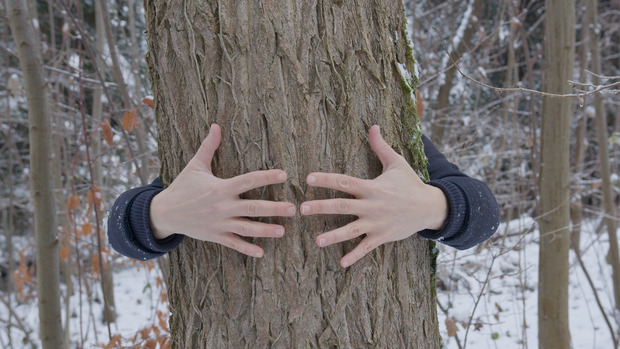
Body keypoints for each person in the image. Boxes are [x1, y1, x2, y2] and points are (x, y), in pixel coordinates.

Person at [108, 124, 499, 267]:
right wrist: (161, 213)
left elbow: (485, 215)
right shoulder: (202, 149)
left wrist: (432, 206)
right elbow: (119, 231)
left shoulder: (397, 143)